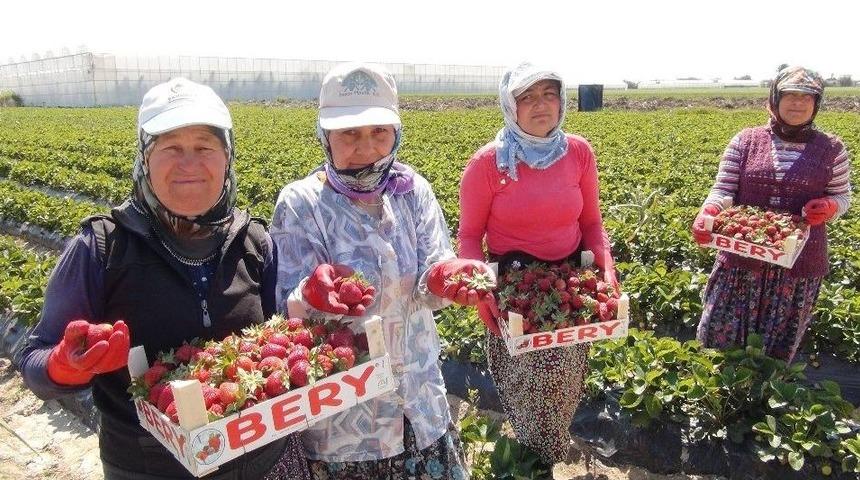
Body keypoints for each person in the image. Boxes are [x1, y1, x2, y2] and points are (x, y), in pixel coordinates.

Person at [15, 78, 309, 480]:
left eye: (205, 147)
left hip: (266, 461)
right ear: (144, 159)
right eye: (171, 147)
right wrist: (65, 367)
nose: (189, 163)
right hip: (149, 468)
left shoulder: (255, 240)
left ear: (227, 157)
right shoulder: (103, 246)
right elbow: (35, 360)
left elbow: (282, 334)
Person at [271, 62, 489, 479]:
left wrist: (446, 278)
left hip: (419, 405)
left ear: (396, 134)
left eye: (379, 132)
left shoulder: (414, 191)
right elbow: (287, 312)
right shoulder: (302, 203)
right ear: (326, 137)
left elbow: (432, 276)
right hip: (347, 426)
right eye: (349, 133)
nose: (366, 146)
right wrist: (308, 295)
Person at [457, 62, 618, 469]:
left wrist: (606, 268)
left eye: (548, 94)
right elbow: (470, 236)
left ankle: (537, 458)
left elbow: (592, 224)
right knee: (525, 385)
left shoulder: (579, 152)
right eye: (526, 97)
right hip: (515, 291)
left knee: (560, 384)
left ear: (562, 101)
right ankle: (534, 458)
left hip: (568, 290)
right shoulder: (488, 163)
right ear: (510, 107)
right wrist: (481, 292)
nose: (540, 105)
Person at [691, 66, 851, 362]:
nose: (798, 103)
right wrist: (710, 211)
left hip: (798, 268)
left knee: (774, 352)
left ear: (817, 103)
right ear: (774, 98)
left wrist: (830, 207)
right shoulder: (746, 140)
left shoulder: (831, 149)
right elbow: (723, 189)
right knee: (717, 341)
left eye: (807, 97)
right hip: (740, 261)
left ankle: (762, 403)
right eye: (790, 95)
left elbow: (842, 197)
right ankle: (718, 400)